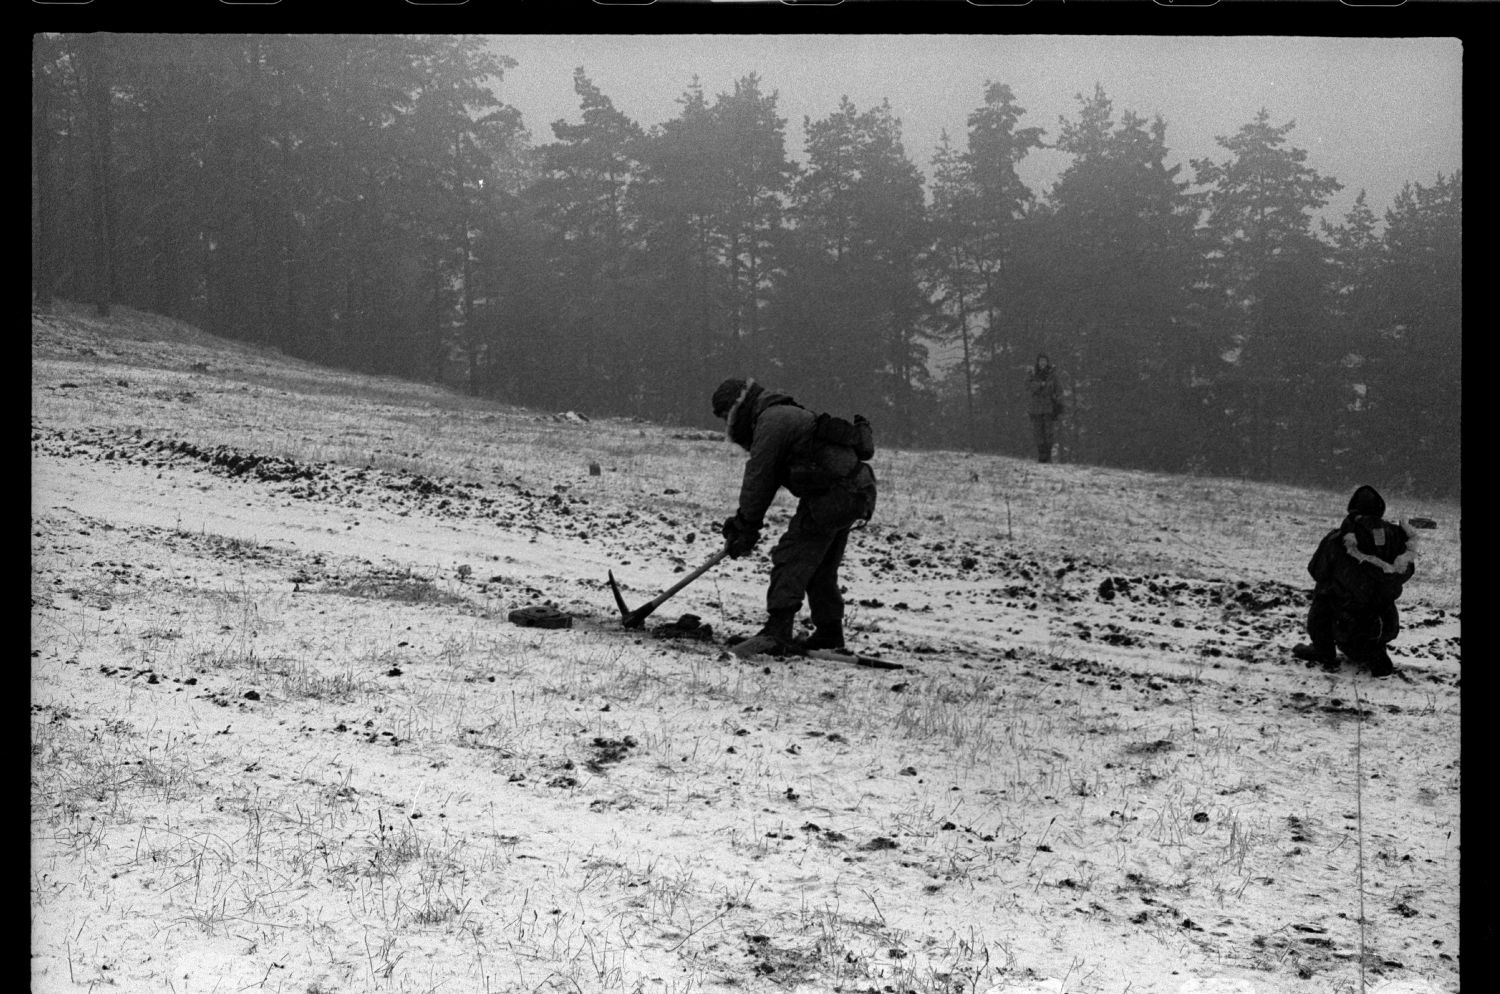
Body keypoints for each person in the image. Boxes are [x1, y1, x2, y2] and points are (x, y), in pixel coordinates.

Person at [711, 377, 877, 656]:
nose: (726, 423)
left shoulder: (772, 421)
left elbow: (760, 476)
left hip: (835, 495)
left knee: (791, 556)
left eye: (725, 416)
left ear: (737, 406)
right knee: (820, 566)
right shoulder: (781, 414)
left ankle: (778, 631)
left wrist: (746, 525)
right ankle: (829, 633)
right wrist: (746, 525)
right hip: (853, 490)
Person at [1292, 484, 1418, 677]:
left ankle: (1323, 650)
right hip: (1383, 620)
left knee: (1323, 591)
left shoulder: (1339, 538)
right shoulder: (1395, 537)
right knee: (1373, 605)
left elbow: (1316, 571)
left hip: (1345, 617)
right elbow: (1406, 571)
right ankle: (1375, 652)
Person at [1025, 354, 1063, 463]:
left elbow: (1059, 389)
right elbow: (1027, 386)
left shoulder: (1052, 374)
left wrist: (1056, 399)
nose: (1043, 363)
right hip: (1035, 408)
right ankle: (1042, 455)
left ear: (1047, 362)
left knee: (1048, 432)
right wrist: (1040, 385)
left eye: (1044, 361)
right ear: (1038, 362)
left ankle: (1048, 455)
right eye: (1041, 361)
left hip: (1049, 407)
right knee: (1038, 432)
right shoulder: (1032, 374)